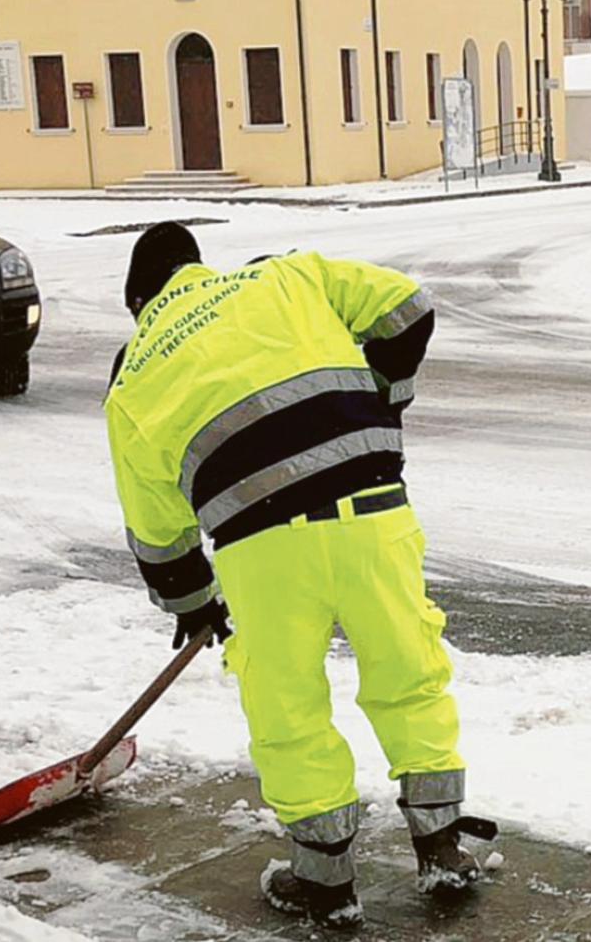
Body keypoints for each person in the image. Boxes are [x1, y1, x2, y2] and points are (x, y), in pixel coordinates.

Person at [103, 223, 493, 929]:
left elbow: (156, 526)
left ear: (140, 301)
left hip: (260, 544)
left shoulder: (132, 372)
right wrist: (383, 396)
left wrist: (193, 603)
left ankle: (325, 882)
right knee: (408, 665)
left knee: (287, 703)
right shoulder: (283, 276)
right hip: (373, 505)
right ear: (197, 269)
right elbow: (409, 307)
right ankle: (442, 847)